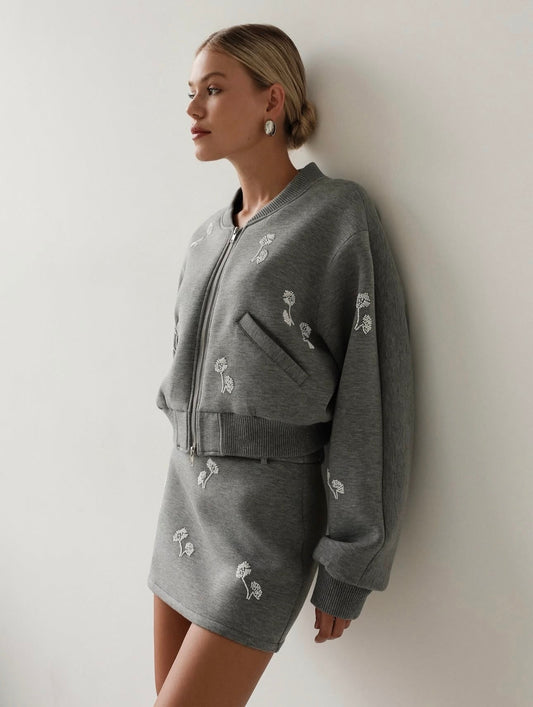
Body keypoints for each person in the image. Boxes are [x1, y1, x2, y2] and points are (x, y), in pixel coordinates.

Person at [147, 23, 415, 707]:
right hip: (183, 508)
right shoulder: (206, 237)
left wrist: (350, 561)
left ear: (272, 101)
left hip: (263, 526)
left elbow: (373, 392)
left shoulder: (336, 217)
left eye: (213, 89)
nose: (193, 108)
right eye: (190, 92)